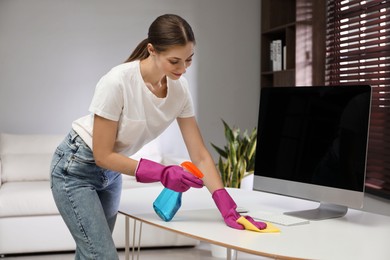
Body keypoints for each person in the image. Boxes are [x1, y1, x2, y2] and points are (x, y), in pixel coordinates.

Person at [50, 14, 266, 260]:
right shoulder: (117, 82)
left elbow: (199, 155)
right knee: (102, 256)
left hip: (111, 173)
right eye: (175, 61)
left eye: (189, 60)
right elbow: (102, 154)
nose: (183, 69)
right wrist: (163, 173)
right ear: (152, 50)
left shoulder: (179, 90)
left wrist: (225, 203)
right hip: (75, 169)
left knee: (91, 254)